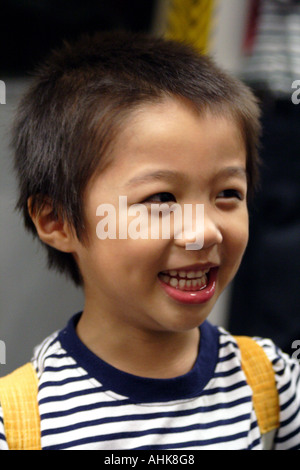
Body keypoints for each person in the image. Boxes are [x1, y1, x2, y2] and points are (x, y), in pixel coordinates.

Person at [0, 31, 299, 450]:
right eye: (161, 199)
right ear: (57, 221)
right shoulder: (18, 424)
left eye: (228, 193)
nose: (205, 231)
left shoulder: (273, 385)